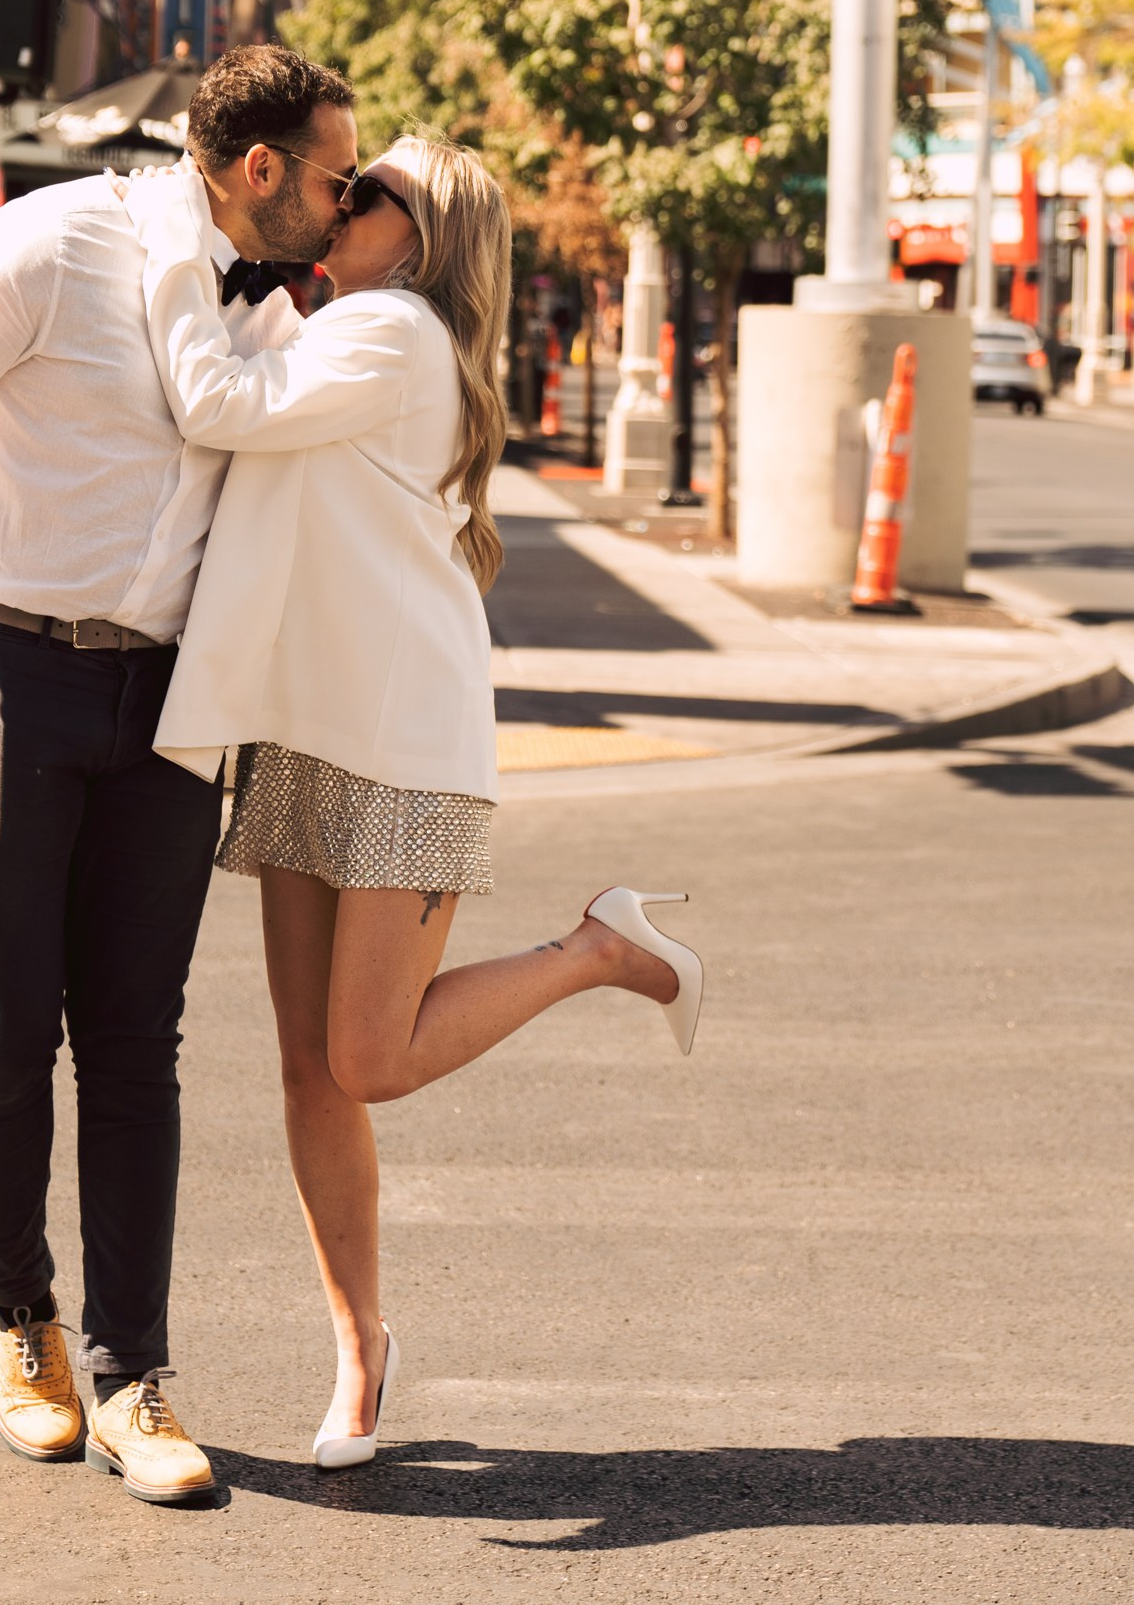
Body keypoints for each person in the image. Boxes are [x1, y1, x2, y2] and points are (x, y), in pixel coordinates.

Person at [0, 42, 359, 1508]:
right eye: (335, 175)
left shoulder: (285, 308)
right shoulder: (57, 241)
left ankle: (136, 1375)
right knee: (6, 1036)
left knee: (139, 1041)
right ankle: (26, 1328)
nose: (347, 197)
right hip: (7, 667)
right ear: (257, 170)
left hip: (175, 701)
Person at [139, 131, 704, 1471]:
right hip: (302, 731)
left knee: (366, 1059)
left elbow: (215, 404)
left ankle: (598, 949)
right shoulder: (341, 323)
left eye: (370, 190)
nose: (342, 203)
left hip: (400, 741)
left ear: (426, 234)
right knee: (306, 1069)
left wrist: (176, 229)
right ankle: (359, 1350)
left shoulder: (391, 335)